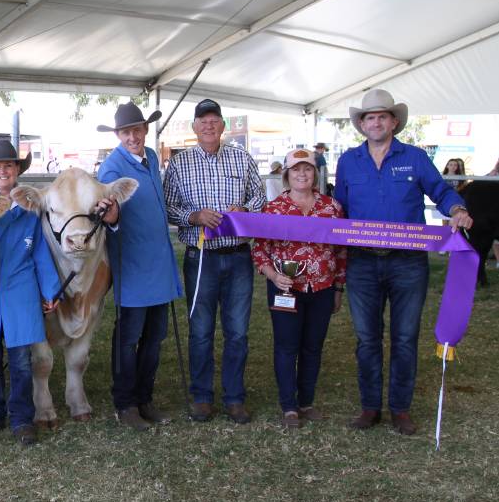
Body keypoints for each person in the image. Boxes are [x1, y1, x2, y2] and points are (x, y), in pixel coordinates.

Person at [334, 89, 472, 435]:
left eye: (382, 116)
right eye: (370, 117)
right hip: (362, 262)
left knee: (405, 337)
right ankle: (370, 407)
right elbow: (338, 209)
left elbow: (440, 191)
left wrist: (457, 209)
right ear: (361, 125)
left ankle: (400, 408)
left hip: (408, 262)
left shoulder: (416, 157)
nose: (376, 122)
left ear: (394, 122)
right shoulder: (348, 161)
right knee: (367, 338)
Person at [162, 99, 266, 424]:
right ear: (194, 128)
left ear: (223, 126)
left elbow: (260, 197)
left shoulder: (242, 157)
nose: (208, 125)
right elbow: (168, 207)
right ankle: (202, 396)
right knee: (201, 331)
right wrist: (193, 216)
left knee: (237, 332)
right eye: (202, 121)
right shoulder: (179, 165)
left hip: (237, 258)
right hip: (201, 258)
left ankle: (235, 398)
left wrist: (246, 212)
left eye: (214, 120)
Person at [0, 139, 61, 446]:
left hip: (20, 289)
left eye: (8, 165)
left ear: (17, 170)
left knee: (19, 359)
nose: (2, 171)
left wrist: (50, 290)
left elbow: (41, 252)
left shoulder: (31, 207)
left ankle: (21, 418)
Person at [95, 104, 183, 431]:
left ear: (145, 130)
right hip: (132, 266)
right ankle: (125, 403)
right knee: (128, 338)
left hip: (159, 263)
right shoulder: (111, 169)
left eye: (138, 129)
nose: (133, 137)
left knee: (154, 337)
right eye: (126, 132)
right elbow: (105, 217)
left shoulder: (151, 155)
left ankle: (145, 398)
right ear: (118, 136)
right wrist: (112, 218)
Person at [252, 149, 346, 429]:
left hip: (322, 288)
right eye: (296, 170)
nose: (302, 174)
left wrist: (338, 287)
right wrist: (273, 275)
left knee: (312, 347)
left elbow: (341, 250)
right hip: (285, 288)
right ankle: (289, 406)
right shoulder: (274, 208)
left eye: (307, 169)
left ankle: (306, 401)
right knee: (286, 346)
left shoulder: (332, 208)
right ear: (287, 175)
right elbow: (260, 249)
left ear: (315, 173)